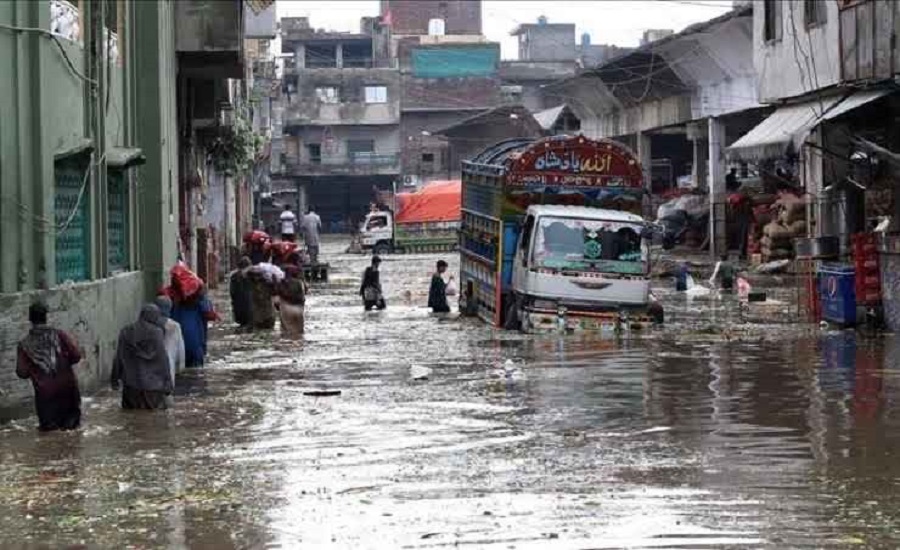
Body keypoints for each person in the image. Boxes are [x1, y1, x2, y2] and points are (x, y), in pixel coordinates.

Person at [16, 301, 83, 431]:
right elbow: (76, 356)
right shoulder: (59, 335)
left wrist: (36, 368)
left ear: (30, 319)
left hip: (45, 396)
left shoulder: (24, 344)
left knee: (50, 437)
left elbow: (21, 372)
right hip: (68, 390)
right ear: (46, 317)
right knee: (73, 434)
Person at [110, 304, 173, 410]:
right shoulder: (157, 333)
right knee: (153, 422)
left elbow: (119, 357)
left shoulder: (125, 331)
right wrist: (168, 382)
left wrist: (114, 379)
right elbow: (163, 359)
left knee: (130, 421)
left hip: (130, 387)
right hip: (153, 387)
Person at [166, 264, 216, 368]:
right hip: (196, 345)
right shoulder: (200, 301)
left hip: (177, 346)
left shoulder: (171, 299)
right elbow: (209, 313)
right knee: (196, 374)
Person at [154, 296, 186, 386]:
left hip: (148, 376)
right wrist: (180, 369)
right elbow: (180, 352)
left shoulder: (147, 325)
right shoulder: (174, 326)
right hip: (168, 372)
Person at [278, 266, 307, 337]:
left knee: (286, 332)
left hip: (287, 309)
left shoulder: (283, 282)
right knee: (299, 333)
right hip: (299, 309)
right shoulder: (300, 283)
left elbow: (279, 292)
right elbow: (304, 294)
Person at [229, 256, 253, 328]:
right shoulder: (235, 276)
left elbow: (232, 290)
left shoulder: (235, 276)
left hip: (242, 299)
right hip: (244, 299)